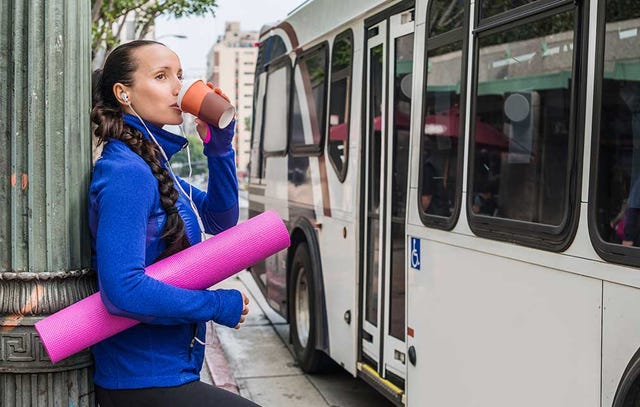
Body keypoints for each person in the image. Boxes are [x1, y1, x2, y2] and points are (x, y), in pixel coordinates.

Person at [90, 40, 258, 406]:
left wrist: (220, 147)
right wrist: (216, 305)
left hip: (172, 374)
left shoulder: (152, 165)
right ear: (123, 93)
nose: (178, 88)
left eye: (179, 76)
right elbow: (123, 290)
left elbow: (220, 218)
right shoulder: (126, 172)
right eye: (161, 76)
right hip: (141, 381)